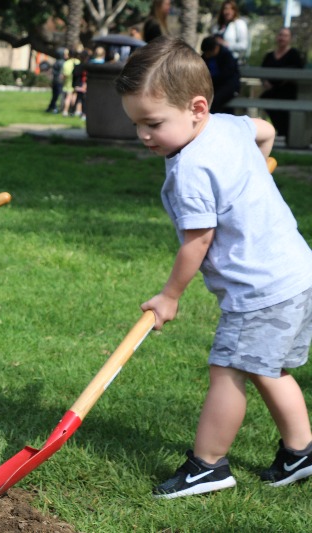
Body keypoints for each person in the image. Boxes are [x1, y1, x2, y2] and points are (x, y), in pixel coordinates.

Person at [115, 36, 312, 499]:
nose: (143, 135)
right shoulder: (226, 124)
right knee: (270, 368)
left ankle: (208, 466)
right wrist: (260, 163)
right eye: (137, 124)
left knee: (227, 370)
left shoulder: (190, 171)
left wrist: (170, 296)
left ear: (196, 108)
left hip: (258, 288)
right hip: (297, 272)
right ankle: (300, 453)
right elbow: (263, 129)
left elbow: (197, 241)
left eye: (153, 123)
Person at [260, 27, 305, 138]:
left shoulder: (294, 54)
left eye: (285, 36)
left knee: (285, 102)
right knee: (264, 99)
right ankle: (280, 129)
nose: (282, 38)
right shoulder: (269, 55)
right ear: (277, 37)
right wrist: (265, 81)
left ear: (290, 39)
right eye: (280, 35)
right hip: (271, 90)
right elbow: (261, 71)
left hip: (288, 90)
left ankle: (285, 132)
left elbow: (298, 71)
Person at [200, 35, 240, 114]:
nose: (207, 55)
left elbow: (227, 76)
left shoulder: (227, 56)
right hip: (212, 86)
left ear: (215, 48)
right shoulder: (205, 57)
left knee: (215, 100)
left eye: (208, 52)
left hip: (227, 86)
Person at [46, 47, 67, 113]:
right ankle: (56, 108)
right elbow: (62, 73)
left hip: (55, 80)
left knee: (55, 95)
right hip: (59, 81)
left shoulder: (56, 62)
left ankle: (51, 107)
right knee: (59, 95)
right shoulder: (62, 62)